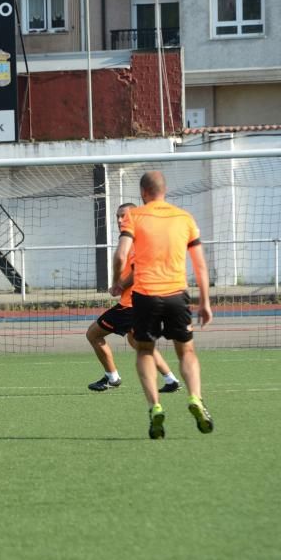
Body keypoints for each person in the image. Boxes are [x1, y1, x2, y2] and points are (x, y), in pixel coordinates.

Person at [110, 171, 214, 440]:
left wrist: (116, 282)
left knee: (144, 351)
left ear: (143, 192)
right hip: (177, 295)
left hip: (145, 296)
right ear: (164, 191)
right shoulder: (185, 218)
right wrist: (205, 302)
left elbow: (121, 255)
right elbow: (200, 266)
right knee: (186, 352)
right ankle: (195, 398)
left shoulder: (135, 216)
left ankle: (155, 406)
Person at [87, 203, 180, 395]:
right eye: (117, 216)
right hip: (140, 302)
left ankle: (112, 377)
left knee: (93, 334)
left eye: (124, 216)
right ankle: (170, 379)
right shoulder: (135, 238)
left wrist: (119, 285)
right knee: (138, 343)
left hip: (131, 305)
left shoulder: (139, 239)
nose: (120, 220)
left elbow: (138, 270)